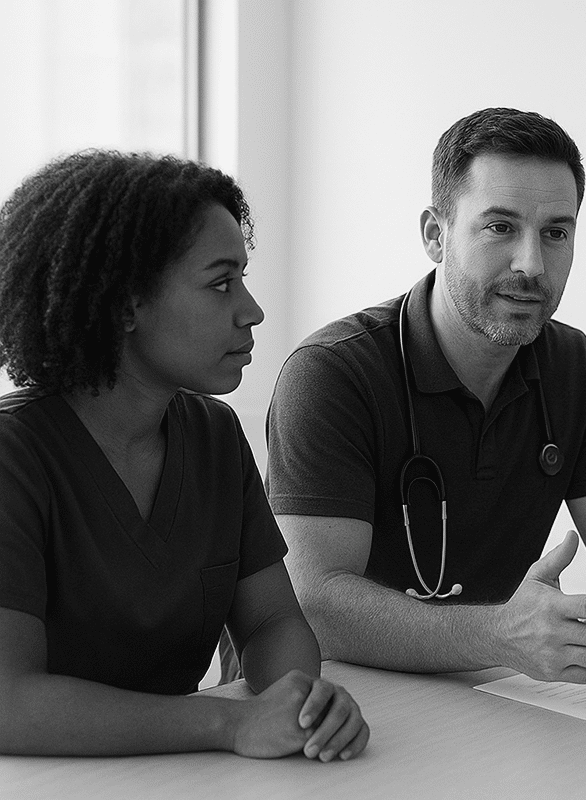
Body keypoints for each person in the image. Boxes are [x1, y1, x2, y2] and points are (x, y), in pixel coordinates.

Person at [267, 107, 586, 688]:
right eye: (499, 227)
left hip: (483, 692)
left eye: (556, 233)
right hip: (331, 702)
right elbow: (314, 602)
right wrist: (500, 636)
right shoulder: (333, 374)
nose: (531, 264)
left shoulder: (572, 366)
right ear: (436, 236)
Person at [0, 151, 369, 760]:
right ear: (123, 306)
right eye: (221, 282)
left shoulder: (215, 437)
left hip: (181, 779)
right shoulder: (15, 454)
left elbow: (273, 624)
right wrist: (229, 725)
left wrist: (306, 703)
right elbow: (9, 704)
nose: (252, 310)